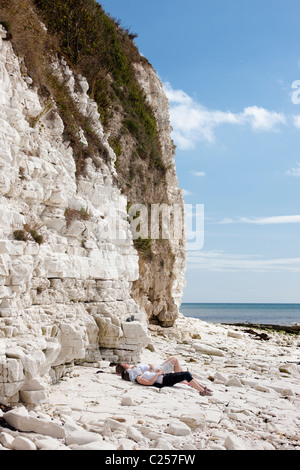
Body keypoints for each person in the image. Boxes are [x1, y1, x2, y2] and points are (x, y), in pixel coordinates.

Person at [117, 357, 212, 396]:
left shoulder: (140, 375)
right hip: (163, 378)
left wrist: (153, 370)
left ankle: (202, 388)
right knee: (186, 374)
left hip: (163, 376)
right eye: (131, 371)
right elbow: (150, 383)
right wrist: (157, 373)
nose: (134, 370)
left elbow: (149, 376)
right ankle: (202, 390)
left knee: (186, 374)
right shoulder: (138, 378)